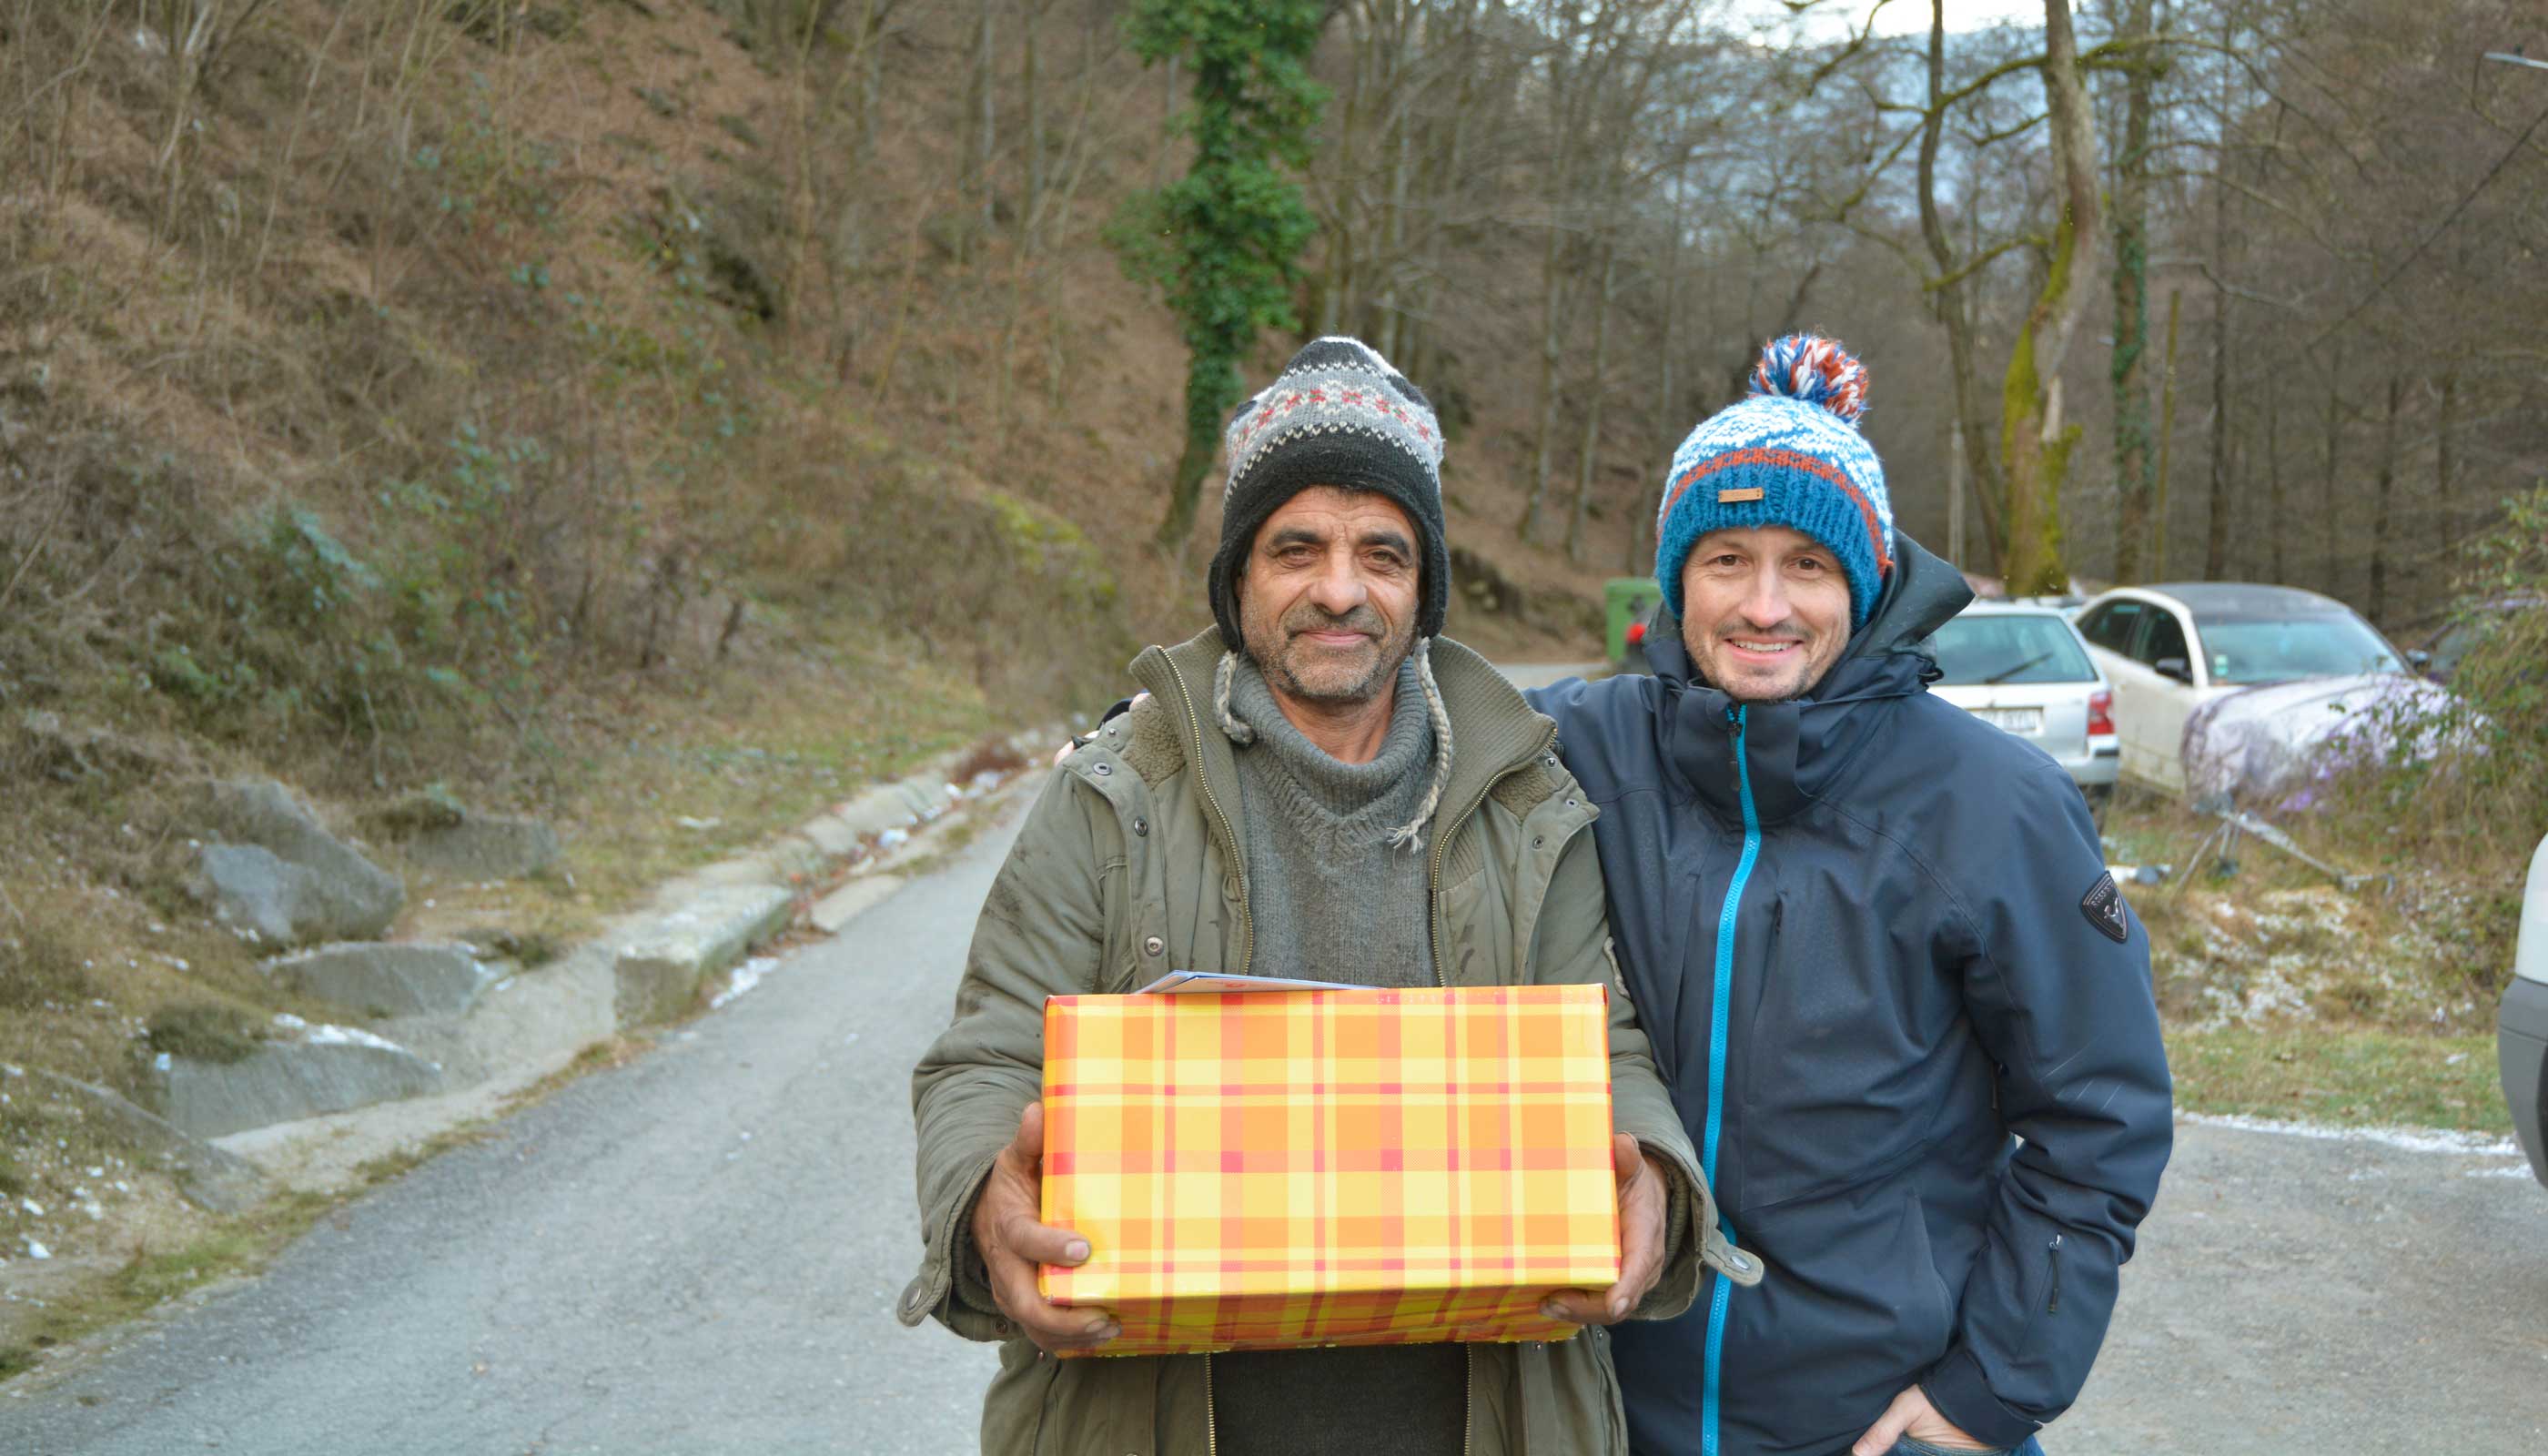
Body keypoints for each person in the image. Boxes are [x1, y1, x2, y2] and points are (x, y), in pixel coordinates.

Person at [896, 337, 1757, 1456]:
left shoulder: (1524, 799)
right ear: (1238, 576)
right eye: (1296, 547)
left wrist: (1647, 1176)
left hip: (1489, 1416)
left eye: (1382, 554)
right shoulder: (1114, 796)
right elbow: (986, 1060)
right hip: (1151, 1417)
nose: (1339, 590)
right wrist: (983, 1204)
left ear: (1423, 585)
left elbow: (1605, 1048)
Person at [1525, 335, 2173, 1456]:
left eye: (1807, 566)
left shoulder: (1994, 804)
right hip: (1614, 1407)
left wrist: (1991, 1391)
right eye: (1725, 557)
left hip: (1876, 1421)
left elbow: (2097, 1117)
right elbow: (1377, 713)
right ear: (1675, 580)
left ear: (1863, 585)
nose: (1763, 604)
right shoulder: (1581, 749)